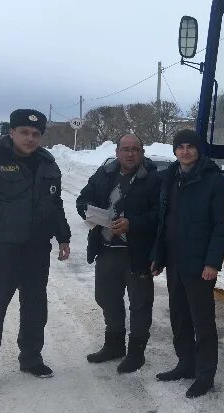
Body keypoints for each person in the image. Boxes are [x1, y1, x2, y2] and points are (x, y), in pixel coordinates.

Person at [0, 108, 71, 393]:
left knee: (35, 307)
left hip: (36, 250)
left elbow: (54, 204)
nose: (30, 138)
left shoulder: (47, 164)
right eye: (24, 132)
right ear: (11, 132)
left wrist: (63, 236)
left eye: (36, 134)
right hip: (1, 251)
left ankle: (31, 358)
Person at [151, 129, 224, 398]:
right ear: (175, 150)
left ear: (198, 150)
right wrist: (158, 257)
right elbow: (164, 221)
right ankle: (185, 364)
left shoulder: (213, 181)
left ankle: (205, 374)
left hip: (199, 264)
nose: (185, 151)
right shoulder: (170, 178)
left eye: (190, 147)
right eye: (180, 147)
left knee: (202, 320)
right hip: (174, 260)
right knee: (179, 315)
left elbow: (222, 226)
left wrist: (213, 262)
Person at [76, 134, 160, 373]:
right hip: (106, 251)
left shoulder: (153, 180)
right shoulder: (104, 174)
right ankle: (114, 345)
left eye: (135, 149)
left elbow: (160, 215)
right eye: (126, 149)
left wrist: (133, 224)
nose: (130, 154)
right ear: (117, 152)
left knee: (140, 305)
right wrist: (90, 213)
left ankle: (136, 353)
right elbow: (82, 199)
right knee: (107, 299)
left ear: (142, 152)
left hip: (137, 253)